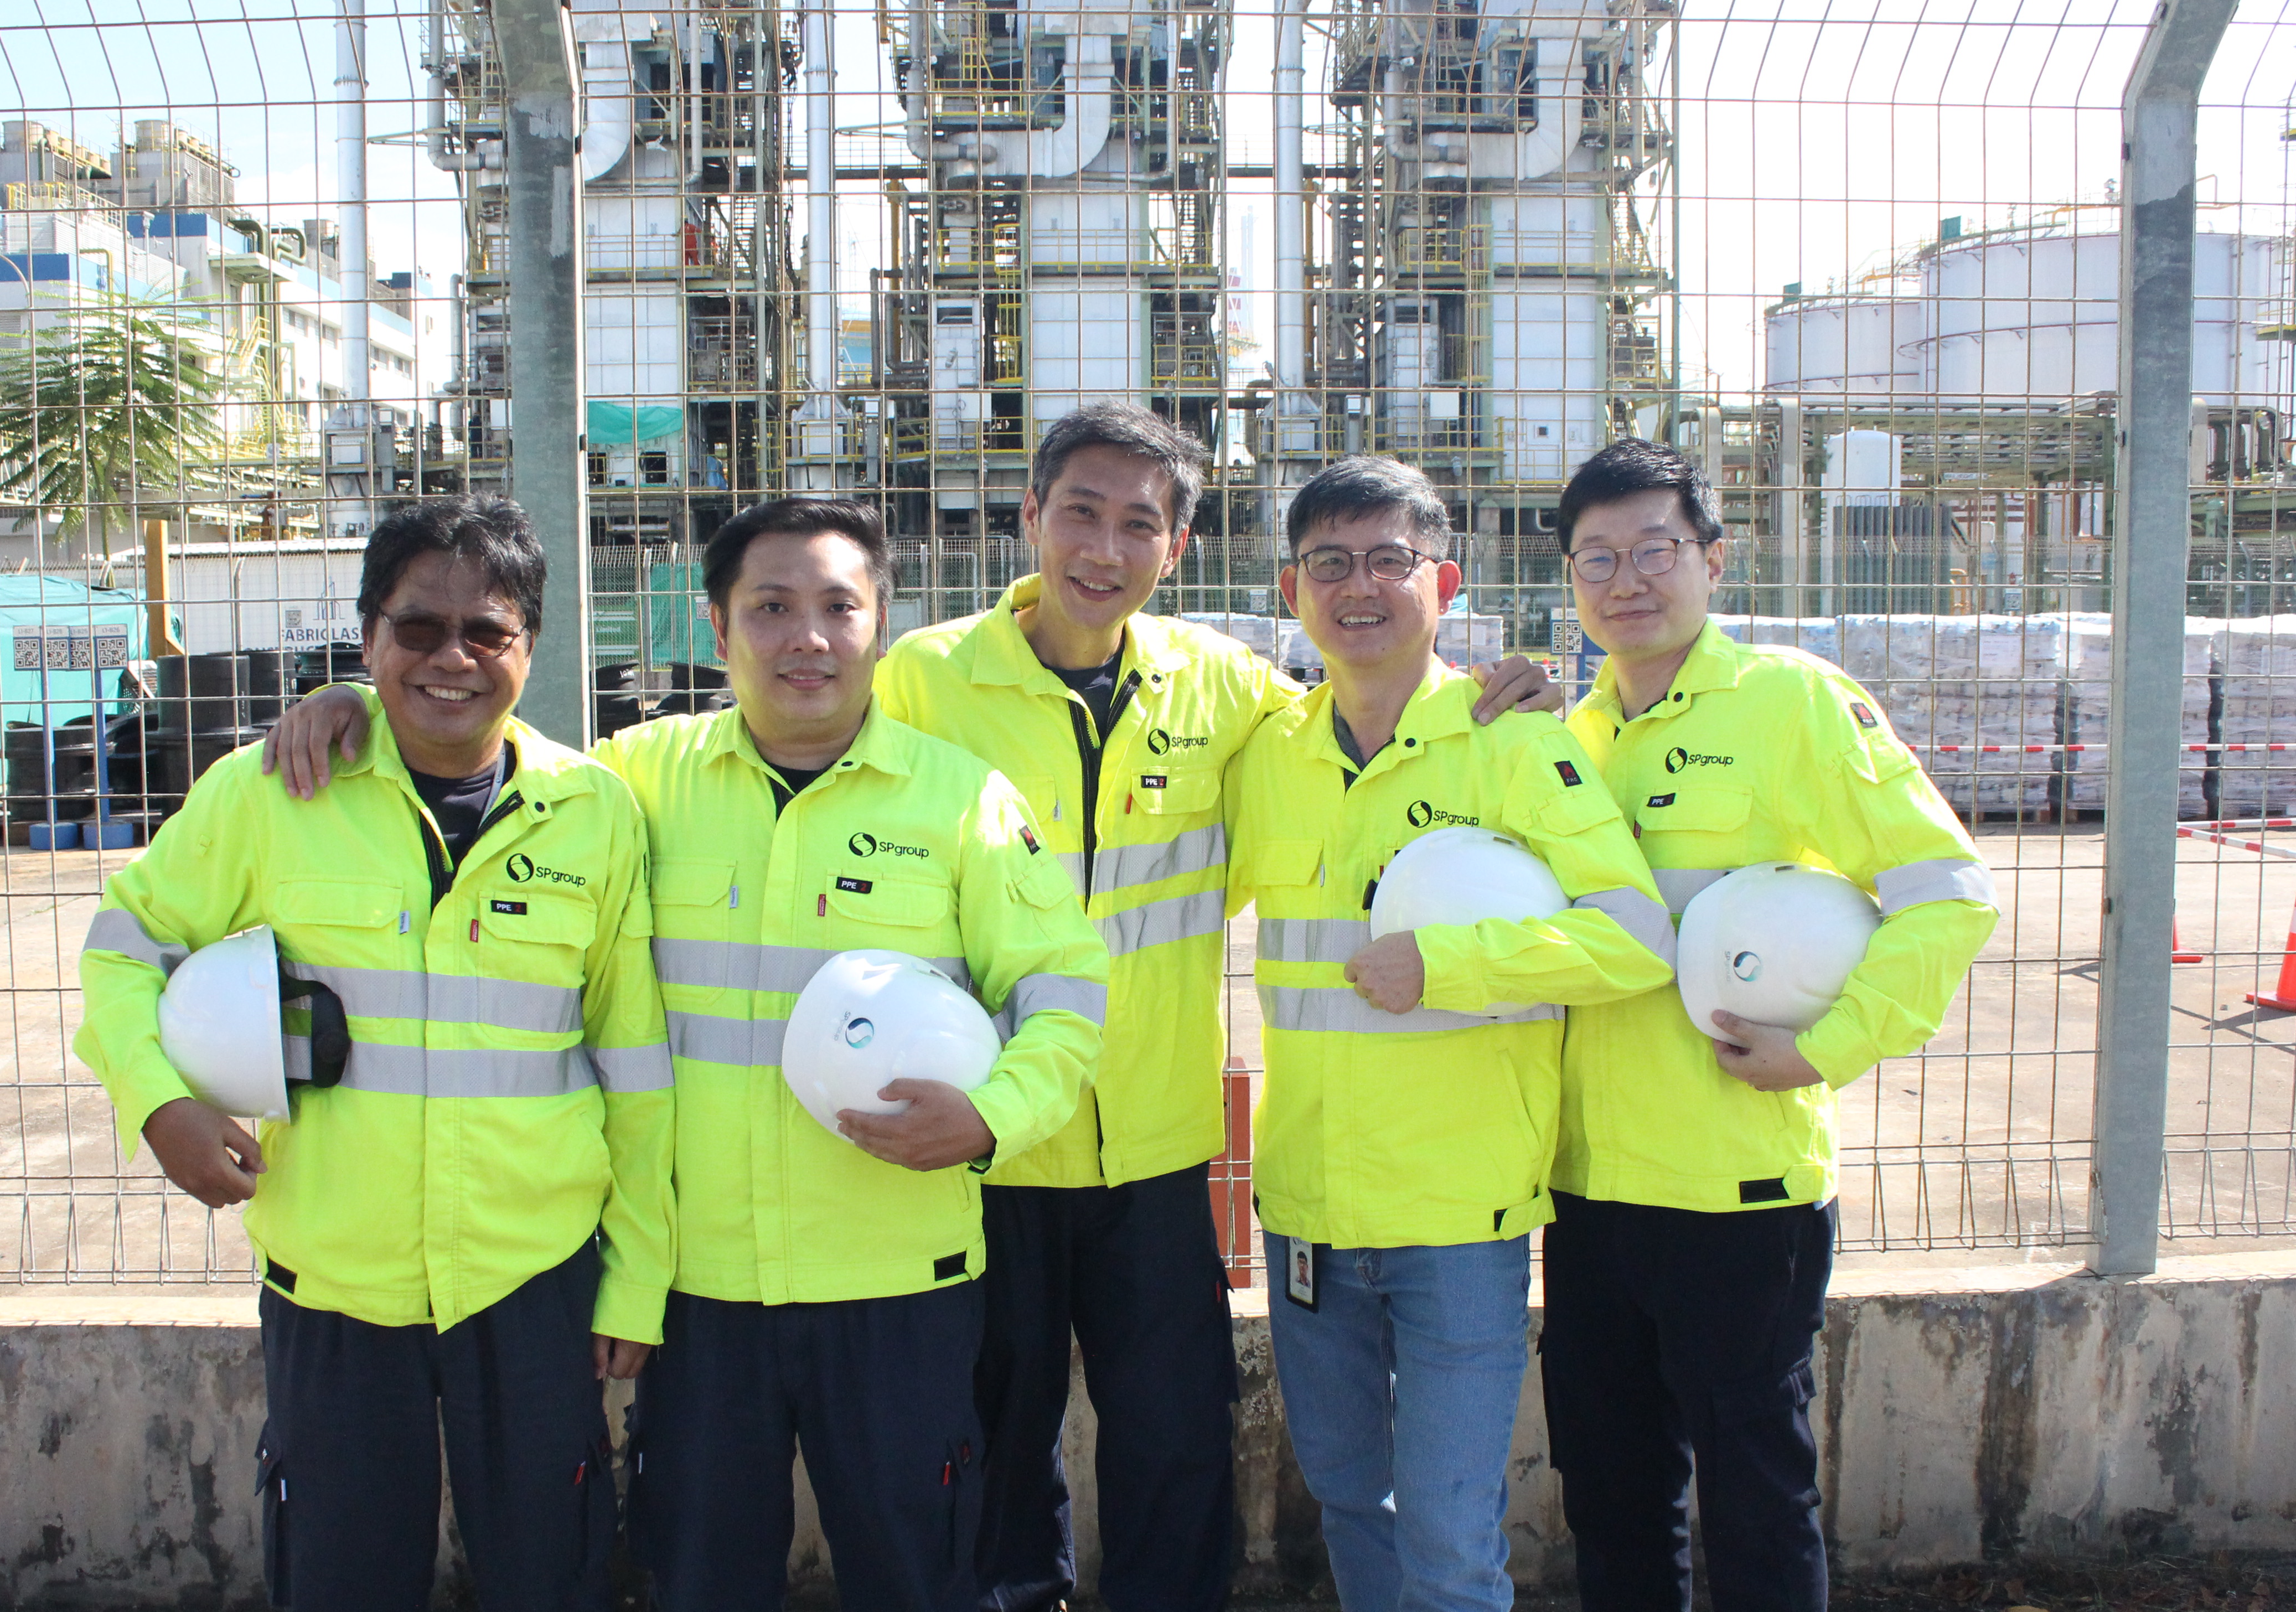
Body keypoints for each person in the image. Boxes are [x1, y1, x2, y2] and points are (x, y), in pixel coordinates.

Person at [263, 402, 1561, 1612]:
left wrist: (1496, 689)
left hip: (1125, 1151)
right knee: (979, 1469)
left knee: (1169, 1447)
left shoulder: (1216, 694)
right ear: (1029, 519)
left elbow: (1365, 707)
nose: (1105, 549)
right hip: (879, 1202)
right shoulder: (826, 715)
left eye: (1139, 522)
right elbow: (547, 763)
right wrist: (366, 715)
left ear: (1178, 540)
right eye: (1080, 513)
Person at [74, 496, 674, 1612]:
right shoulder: (270, 794)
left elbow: (633, 1066)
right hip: (335, 1281)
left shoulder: (593, 814)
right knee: (343, 1574)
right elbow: (122, 952)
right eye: (417, 629)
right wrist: (158, 1104)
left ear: (530, 648)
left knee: (556, 1571)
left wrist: (635, 1279)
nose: (452, 658)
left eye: (486, 632)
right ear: (367, 640)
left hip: (533, 1275)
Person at [1538, 439, 1999, 1612]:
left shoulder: (1788, 700)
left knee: (1754, 1494)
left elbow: (1943, 889)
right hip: (1586, 1186)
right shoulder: (1569, 736)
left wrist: (1828, 1046)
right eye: (1599, 557)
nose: (1628, 580)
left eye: (1657, 550)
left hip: (1739, 1190)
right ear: (1571, 577)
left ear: (1714, 559)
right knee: (1612, 1491)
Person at [1223, 457, 1674, 1612]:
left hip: (1457, 1218)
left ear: (1447, 580)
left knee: (1448, 1527)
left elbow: (1633, 938)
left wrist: (1451, 964)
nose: (1359, 586)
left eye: (1390, 559)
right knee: (1343, 1491)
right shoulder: (1268, 756)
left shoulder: (1513, 743)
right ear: (1290, 590)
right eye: (1330, 562)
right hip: (1312, 1211)